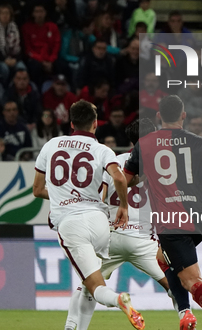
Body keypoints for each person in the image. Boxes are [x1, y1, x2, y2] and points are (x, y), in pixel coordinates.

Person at [123, 95, 202, 330]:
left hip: (170, 222)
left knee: (190, 279)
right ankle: (185, 313)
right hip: (198, 221)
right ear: (183, 115)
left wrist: (138, 180)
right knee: (162, 259)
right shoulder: (201, 142)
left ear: (158, 117)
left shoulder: (145, 144)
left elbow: (125, 181)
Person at [33, 99, 145, 330]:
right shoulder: (102, 149)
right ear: (95, 123)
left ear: (71, 123)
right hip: (99, 222)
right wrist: (123, 205)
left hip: (71, 225)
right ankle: (73, 327)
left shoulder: (51, 145)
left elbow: (37, 190)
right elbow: (119, 177)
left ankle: (118, 300)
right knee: (86, 283)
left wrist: (63, 197)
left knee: (94, 285)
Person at [64, 118, 176, 330]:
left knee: (89, 286)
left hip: (111, 237)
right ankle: (186, 320)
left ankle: (72, 327)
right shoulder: (163, 165)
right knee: (175, 286)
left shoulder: (113, 162)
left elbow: (101, 198)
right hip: (144, 241)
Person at [22, 4, 61, 89]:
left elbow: (56, 45)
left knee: (62, 65)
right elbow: (28, 49)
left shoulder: (52, 27)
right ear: (33, 14)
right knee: (35, 67)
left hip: (50, 58)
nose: (39, 14)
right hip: (35, 59)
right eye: (37, 12)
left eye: (41, 11)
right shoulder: (27, 27)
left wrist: (51, 60)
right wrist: (41, 61)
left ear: (45, 13)